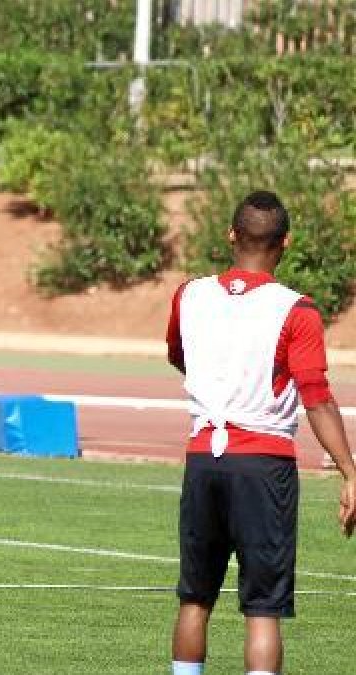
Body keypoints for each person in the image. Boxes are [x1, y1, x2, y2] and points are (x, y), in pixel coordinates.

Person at [165, 190, 356, 675]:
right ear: (285, 243)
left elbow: (178, 354)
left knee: (194, 599)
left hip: (204, 458)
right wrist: (349, 471)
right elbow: (316, 396)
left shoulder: (189, 294)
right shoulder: (296, 310)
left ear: (231, 235)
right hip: (264, 465)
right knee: (263, 611)